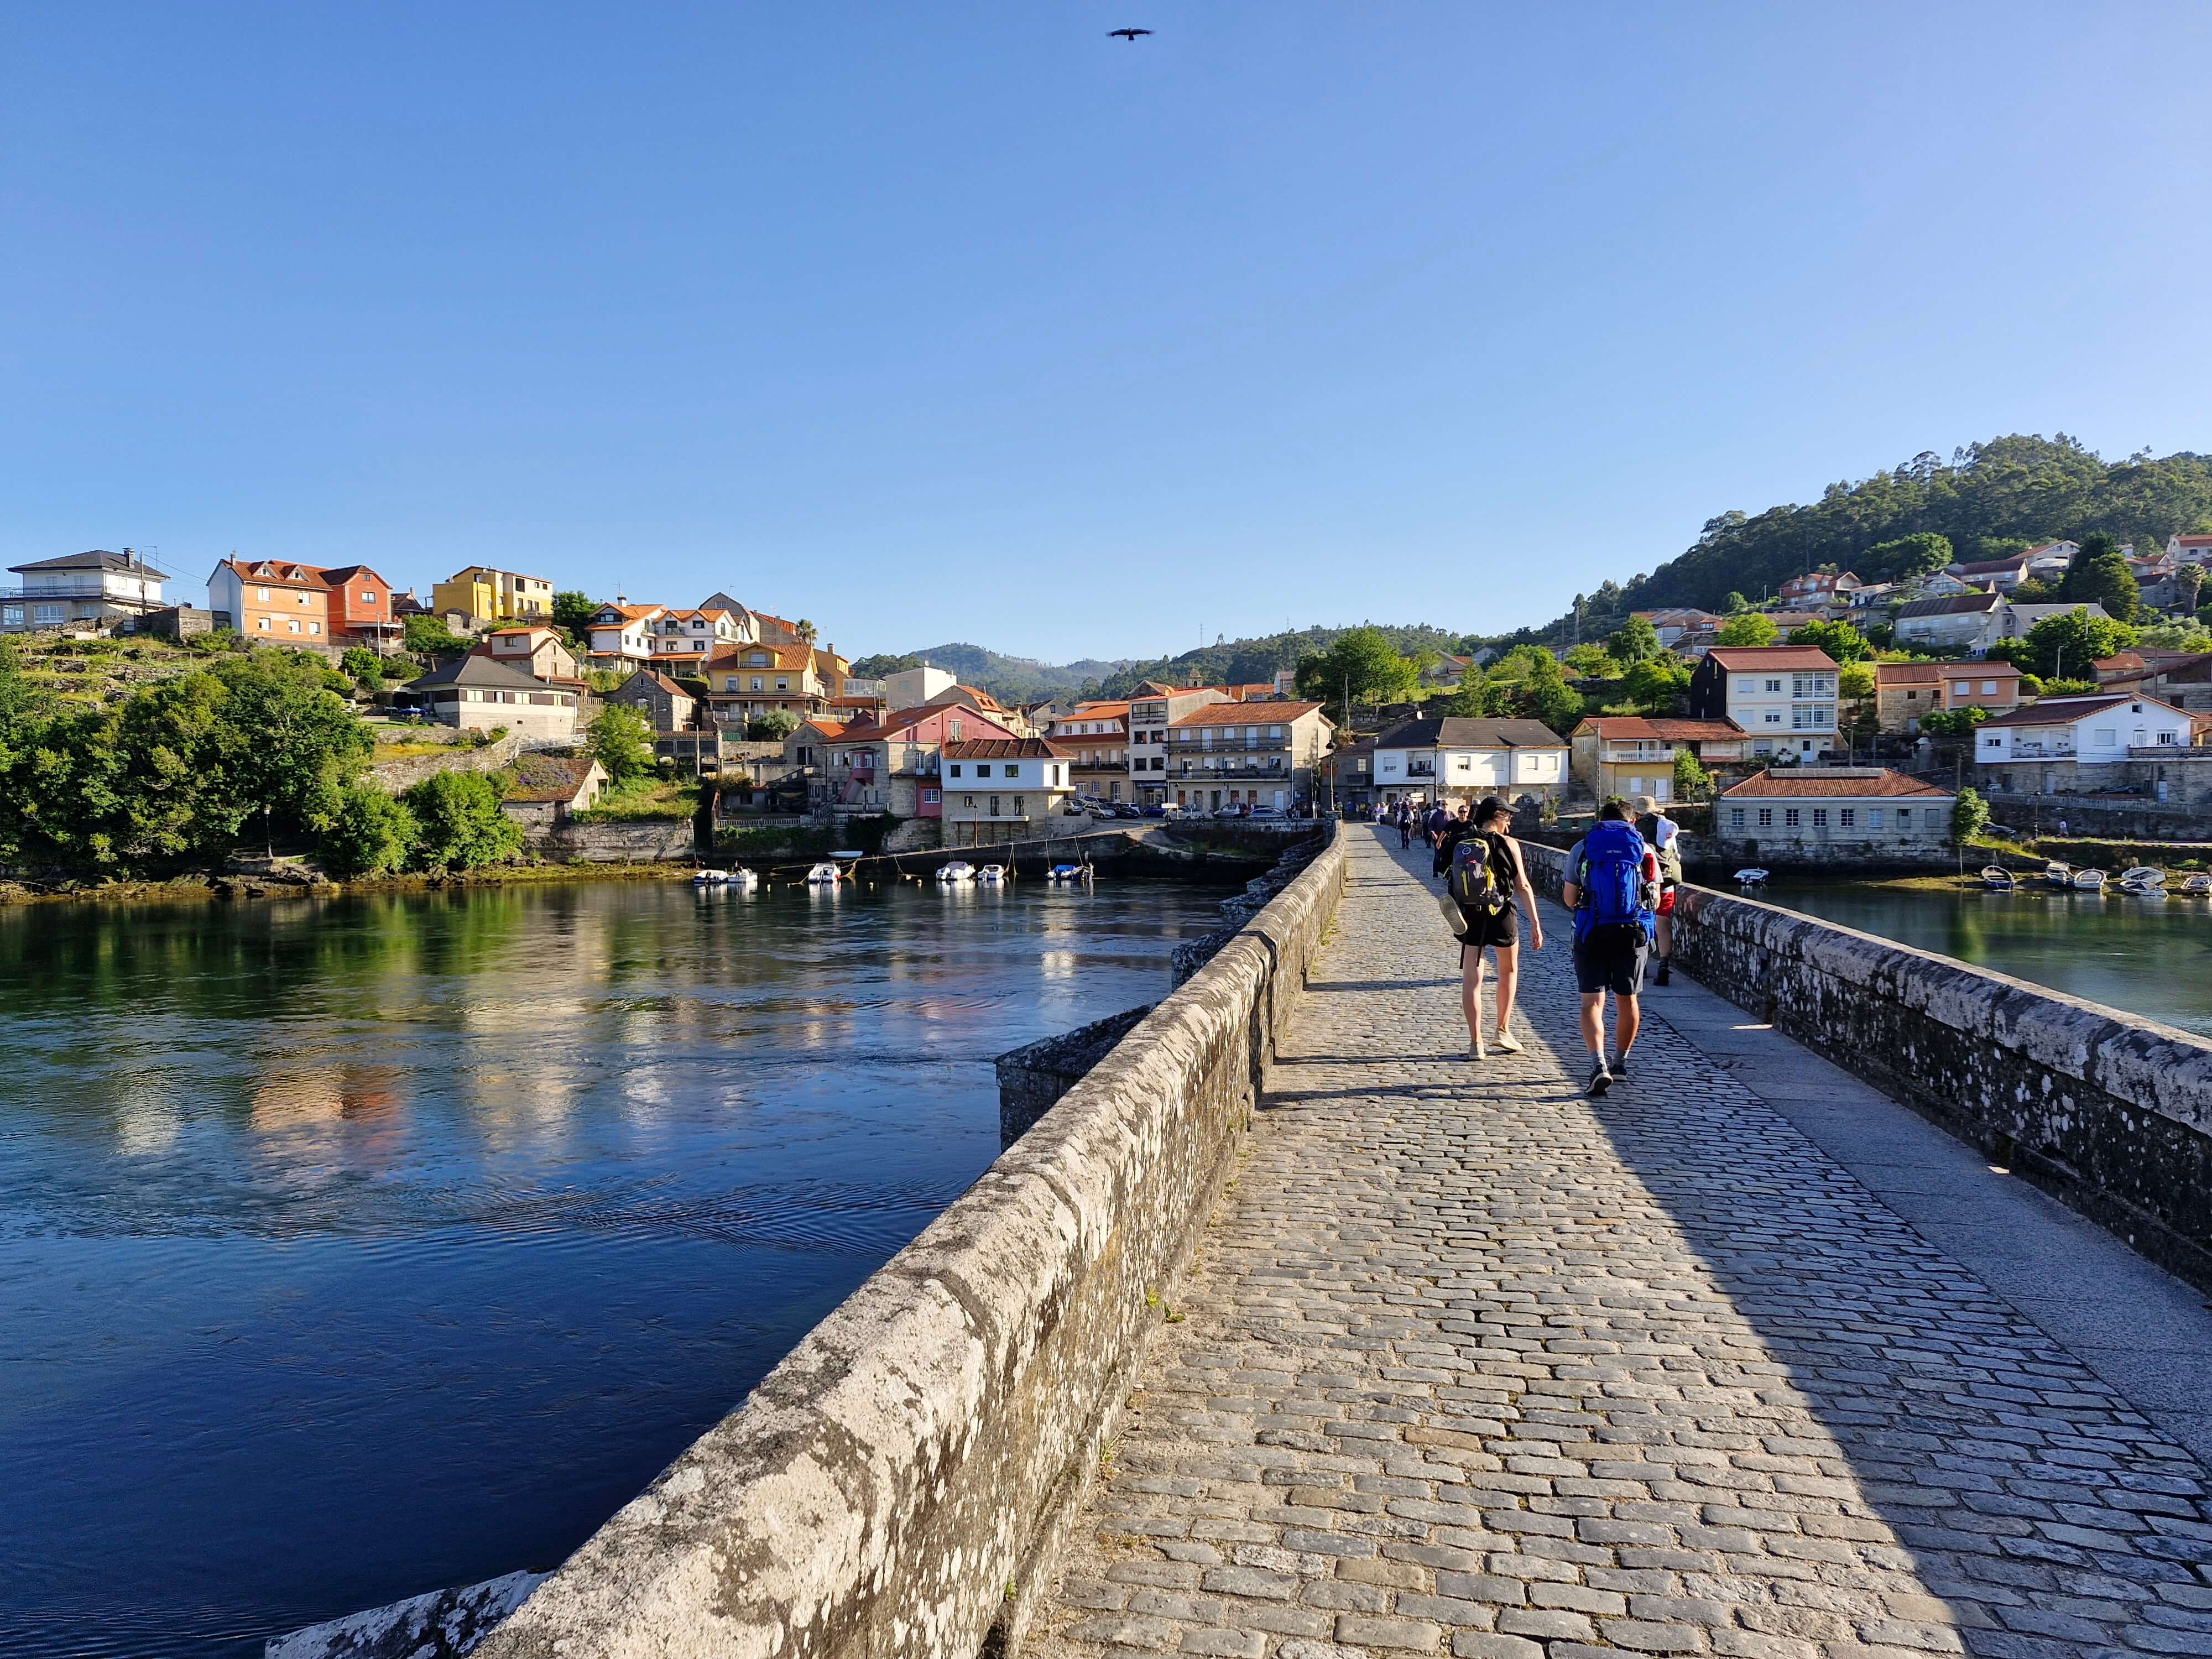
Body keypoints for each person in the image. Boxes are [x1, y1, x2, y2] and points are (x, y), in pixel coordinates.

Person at [1559, 797, 1660, 1097]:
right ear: (1633, 822)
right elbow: (1654, 898)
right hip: (1632, 934)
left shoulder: (1584, 847)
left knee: (1592, 1003)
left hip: (1592, 930)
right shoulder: (1644, 850)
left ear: (1599, 820)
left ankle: (1597, 1065)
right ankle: (1620, 1064)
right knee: (1627, 1000)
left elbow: (1568, 899)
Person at [1440, 796, 1542, 1058]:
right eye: (1507, 816)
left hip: (1471, 914)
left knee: (1472, 978)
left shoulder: (1463, 841)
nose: (1510, 820)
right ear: (1497, 816)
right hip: (1503, 912)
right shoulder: (1510, 844)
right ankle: (1503, 1030)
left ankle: (1476, 1043)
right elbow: (1523, 886)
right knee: (1508, 971)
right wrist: (1535, 924)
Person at [1634, 794, 1684, 986]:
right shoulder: (1667, 826)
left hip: (1645, 884)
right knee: (1663, 924)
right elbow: (1676, 856)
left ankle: (1643, 964)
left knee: (1643, 922)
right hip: (1667, 882)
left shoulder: (1635, 828)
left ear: (1637, 813)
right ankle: (1664, 966)